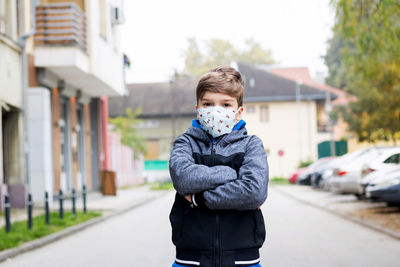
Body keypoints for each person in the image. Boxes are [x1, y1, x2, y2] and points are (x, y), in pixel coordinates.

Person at [169, 66, 269, 267]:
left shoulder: (251, 144)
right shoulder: (185, 143)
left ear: (238, 112)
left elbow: (253, 192)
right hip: (190, 257)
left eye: (226, 104)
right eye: (207, 103)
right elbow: (183, 178)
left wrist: (199, 198)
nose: (216, 110)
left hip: (243, 257)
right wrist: (229, 173)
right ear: (198, 109)